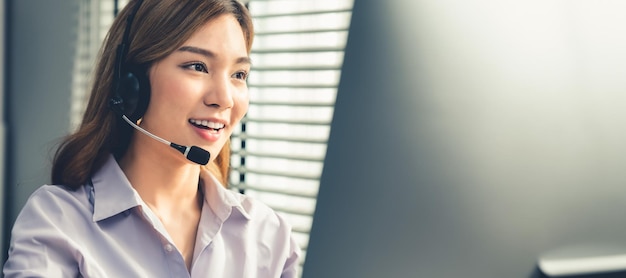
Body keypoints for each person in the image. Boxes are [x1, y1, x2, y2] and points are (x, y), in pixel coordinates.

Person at [3, 0, 301, 277]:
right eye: (197, 66)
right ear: (131, 85)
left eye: (239, 74)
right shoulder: (57, 222)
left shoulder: (269, 236)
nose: (224, 99)